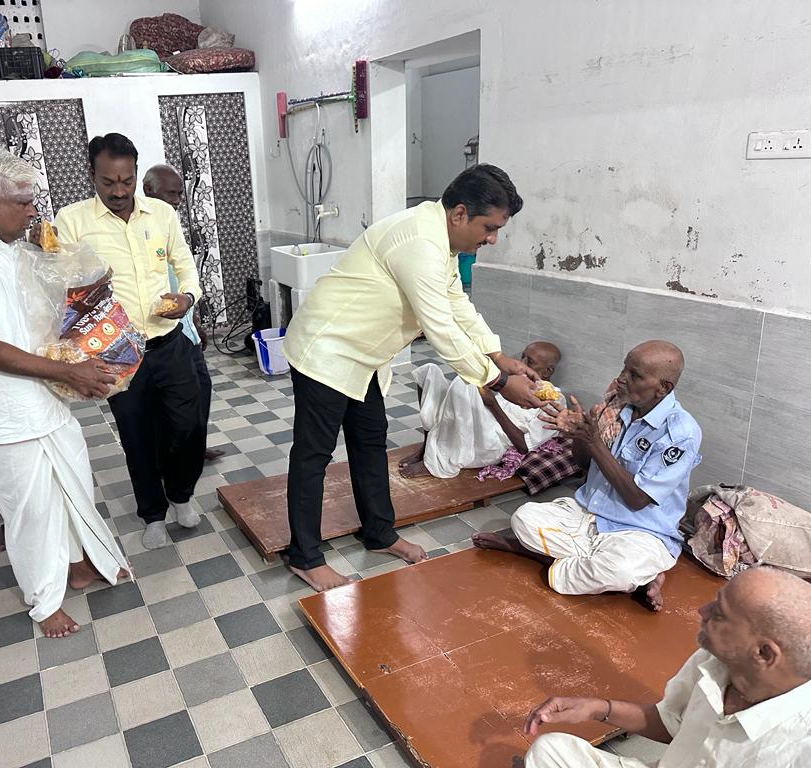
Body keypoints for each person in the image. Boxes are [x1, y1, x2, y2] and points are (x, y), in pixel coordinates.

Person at [282, 164, 544, 592]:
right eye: (489, 228)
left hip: (363, 357)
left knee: (370, 441)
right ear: (459, 214)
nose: (492, 238)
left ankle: (378, 532)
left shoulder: (442, 242)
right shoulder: (419, 241)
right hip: (326, 351)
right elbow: (439, 326)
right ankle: (305, 557)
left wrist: (497, 355)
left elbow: (456, 302)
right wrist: (497, 381)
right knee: (314, 454)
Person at [0, 147, 131, 639]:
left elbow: (34, 313)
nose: (32, 211)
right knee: (31, 510)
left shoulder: (9, 249)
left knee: (72, 486)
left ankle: (79, 565)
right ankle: (44, 602)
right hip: (3, 412)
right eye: (23, 202)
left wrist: (85, 287)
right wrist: (71, 372)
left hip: (42, 400)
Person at [52, 135, 204, 551]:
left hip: (169, 342)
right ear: (92, 175)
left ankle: (181, 494)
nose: (119, 191)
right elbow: (61, 285)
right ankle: (153, 514)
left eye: (126, 180)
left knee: (189, 427)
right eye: (108, 182)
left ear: (136, 174)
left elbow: (184, 264)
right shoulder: (73, 221)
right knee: (136, 436)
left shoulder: (161, 214)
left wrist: (188, 298)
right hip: (119, 353)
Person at [474, 341, 701, 612]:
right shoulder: (615, 406)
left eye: (635, 375)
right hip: (588, 514)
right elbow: (583, 463)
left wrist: (593, 441)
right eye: (624, 369)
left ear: (663, 388)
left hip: (639, 530)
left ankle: (537, 554)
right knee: (523, 518)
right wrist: (579, 436)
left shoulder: (681, 433)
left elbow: (638, 499)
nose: (621, 378)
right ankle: (639, 576)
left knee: (622, 570)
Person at [519, 566, 811, 767]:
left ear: (763, 654)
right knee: (550, 751)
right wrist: (597, 709)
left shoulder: (801, 746)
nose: (702, 611)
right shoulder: (713, 660)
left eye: (719, 614)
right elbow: (671, 722)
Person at [141, 163, 223, 463]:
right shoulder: (141, 230)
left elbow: (182, 281)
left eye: (179, 194)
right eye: (171, 193)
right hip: (161, 335)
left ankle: (194, 447)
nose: (177, 200)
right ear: (148, 191)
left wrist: (196, 323)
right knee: (169, 403)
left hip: (185, 330)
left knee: (202, 388)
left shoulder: (169, 225)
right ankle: (173, 457)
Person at [399, 341, 564, 479]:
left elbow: (523, 446)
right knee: (429, 372)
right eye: (523, 357)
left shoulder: (554, 402)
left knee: (464, 383)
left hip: (492, 445)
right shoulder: (517, 382)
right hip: (477, 424)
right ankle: (427, 447)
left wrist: (492, 404)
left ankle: (438, 464)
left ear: (548, 371)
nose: (522, 363)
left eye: (530, 362)